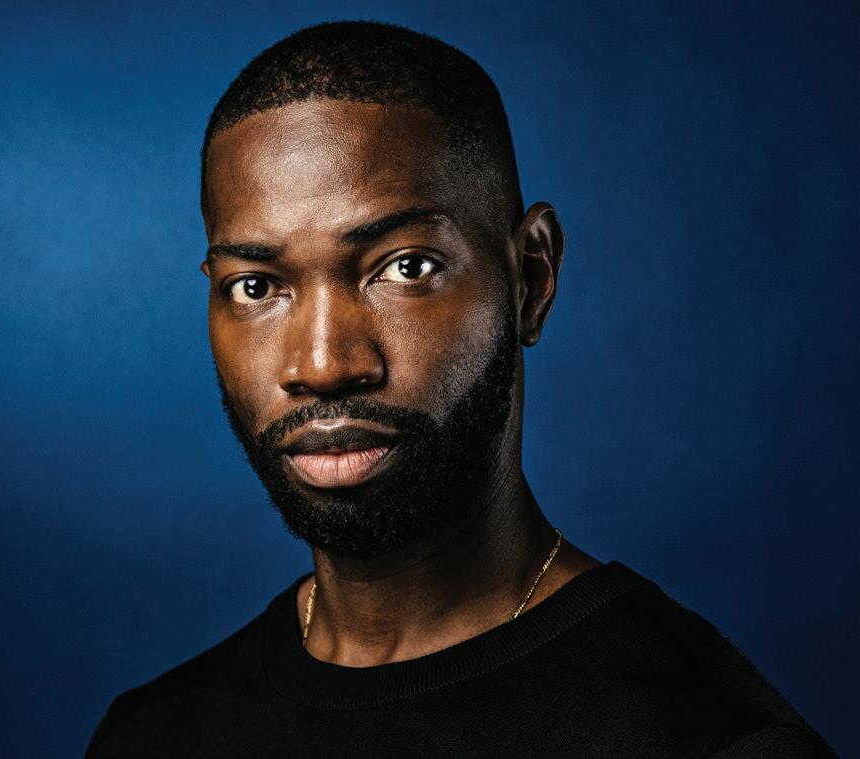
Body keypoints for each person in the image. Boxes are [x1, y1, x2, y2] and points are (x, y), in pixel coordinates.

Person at [86, 21, 834, 758]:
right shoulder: (151, 737)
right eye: (256, 285)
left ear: (531, 277)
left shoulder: (713, 741)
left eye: (405, 268)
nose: (321, 364)